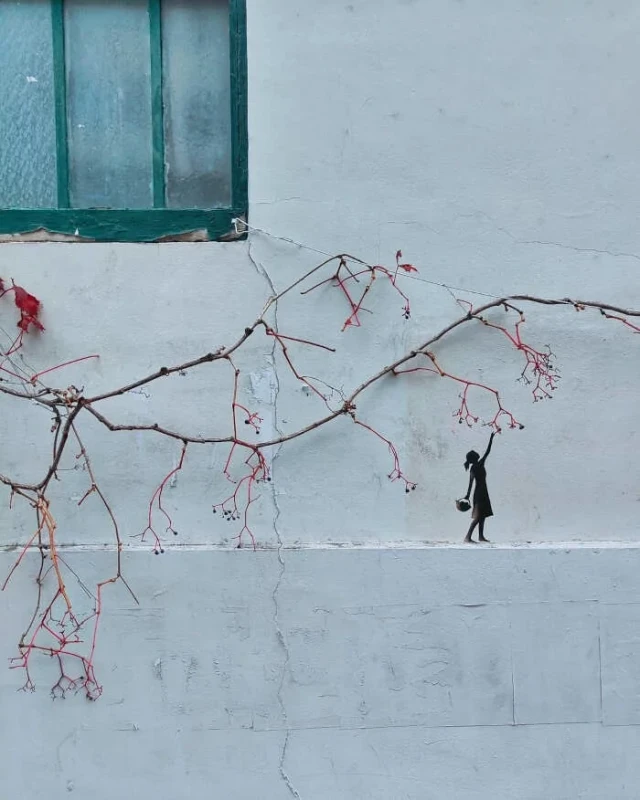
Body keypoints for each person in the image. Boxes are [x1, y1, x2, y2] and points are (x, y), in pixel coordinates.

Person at [463, 432, 495, 544]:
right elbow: (488, 451)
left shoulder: (472, 468)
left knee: (482, 515)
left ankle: (481, 536)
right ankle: (467, 537)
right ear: (476, 458)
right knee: (478, 517)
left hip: (479, 492)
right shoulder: (480, 464)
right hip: (481, 493)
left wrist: (467, 495)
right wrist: (491, 438)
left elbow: (470, 484)